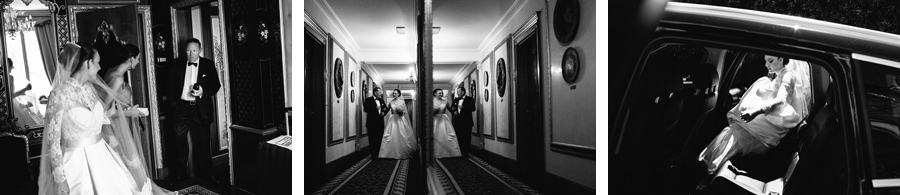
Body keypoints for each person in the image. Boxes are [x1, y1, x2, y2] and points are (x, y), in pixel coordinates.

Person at [38, 43, 172, 194]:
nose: (100, 67)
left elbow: (94, 120)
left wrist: (108, 114)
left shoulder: (88, 89)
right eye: (97, 62)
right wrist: (60, 180)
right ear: (88, 63)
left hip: (103, 156)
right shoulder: (58, 95)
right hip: (77, 164)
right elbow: (53, 141)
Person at [697, 55, 811, 178]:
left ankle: (708, 174)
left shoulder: (788, 76)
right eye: (766, 61)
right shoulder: (782, 74)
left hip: (765, 126)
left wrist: (755, 111)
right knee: (731, 135)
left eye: (770, 61)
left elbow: (781, 100)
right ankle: (709, 172)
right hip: (763, 123)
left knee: (732, 136)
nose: (766, 64)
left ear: (781, 59)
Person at [164, 38, 222, 185]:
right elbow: (169, 85)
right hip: (180, 108)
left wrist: (203, 92)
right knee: (179, 143)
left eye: (194, 51)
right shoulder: (176, 64)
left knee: (203, 144)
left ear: (200, 50)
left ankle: (206, 175)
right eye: (188, 50)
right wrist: (174, 105)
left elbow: (216, 85)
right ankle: (179, 175)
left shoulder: (208, 64)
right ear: (185, 50)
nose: (191, 54)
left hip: (200, 108)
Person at [379, 89, 417, 159]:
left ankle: (401, 152)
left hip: (400, 120)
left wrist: (401, 112)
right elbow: (387, 109)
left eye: (395, 93)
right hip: (392, 119)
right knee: (390, 135)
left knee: (402, 134)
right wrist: (383, 113)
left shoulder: (402, 102)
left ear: (399, 94)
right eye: (393, 93)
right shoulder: (391, 102)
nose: (394, 94)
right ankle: (388, 153)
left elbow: (403, 112)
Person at [433, 89, 462, 158]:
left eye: (442, 93)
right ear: (435, 94)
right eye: (439, 93)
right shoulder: (431, 102)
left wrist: (455, 112)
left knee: (447, 134)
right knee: (436, 134)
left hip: (443, 118)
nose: (441, 94)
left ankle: (449, 152)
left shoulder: (445, 101)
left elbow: (450, 109)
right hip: (435, 119)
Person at [449, 87, 475, 156]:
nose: (457, 93)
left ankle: (466, 152)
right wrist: (454, 112)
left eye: (458, 91)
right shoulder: (455, 100)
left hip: (467, 122)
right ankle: (459, 152)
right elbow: (452, 108)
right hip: (457, 122)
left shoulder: (470, 99)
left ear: (463, 92)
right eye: (457, 92)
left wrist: (464, 107)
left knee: (466, 137)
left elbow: (473, 108)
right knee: (458, 137)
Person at [363, 86, 388, 158]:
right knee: (372, 138)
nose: (380, 93)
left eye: (381, 92)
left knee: (379, 138)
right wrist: (374, 108)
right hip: (371, 123)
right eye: (379, 92)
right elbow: (365, 109)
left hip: (380, 122)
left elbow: (385, 108)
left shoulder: (382, 100)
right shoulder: (368, 100)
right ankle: (373, 154)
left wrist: (384, 112)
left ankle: (379, 152)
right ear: (375, 92)